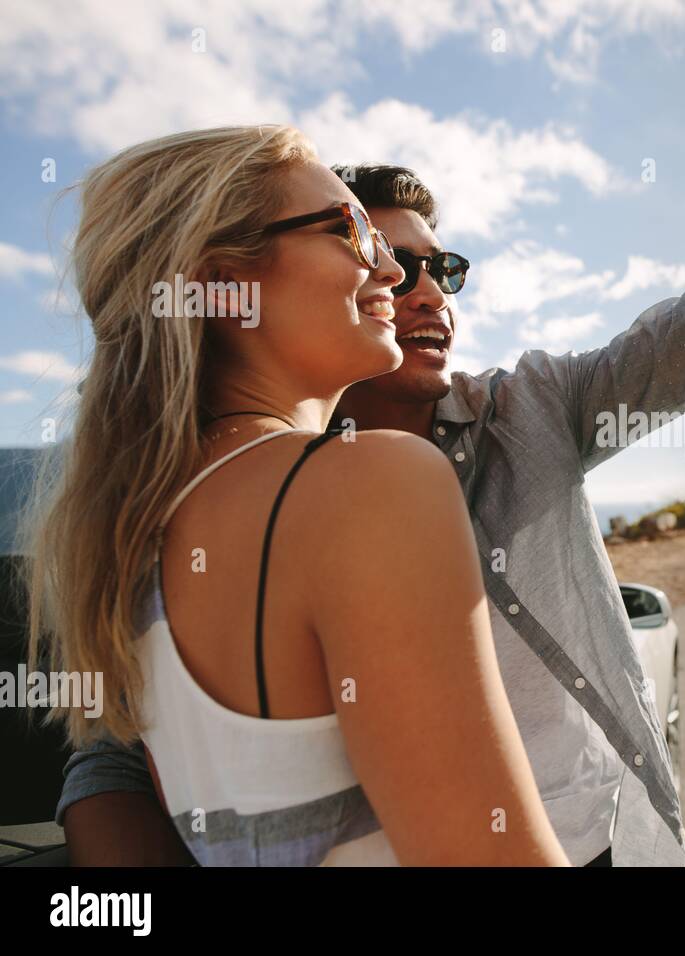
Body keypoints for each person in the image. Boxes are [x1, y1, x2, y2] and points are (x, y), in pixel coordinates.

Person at [51, 0, 685, 866]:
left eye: (441, 268)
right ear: (229, 286)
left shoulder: (147, 515)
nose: (410, 284)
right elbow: (110, 755)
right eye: (359, 243)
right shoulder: (363, 485)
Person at [19, 125, 569, 866]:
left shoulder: (128, 544)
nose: (392, 271)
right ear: (223, 286)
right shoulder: (371, 481)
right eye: (349, 230)